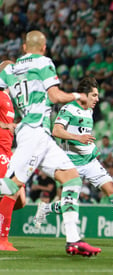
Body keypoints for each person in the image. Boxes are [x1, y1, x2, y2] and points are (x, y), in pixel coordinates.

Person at [0, 30, 101, 255]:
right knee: (10, 186)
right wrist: (77, 96)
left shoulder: (10, 70)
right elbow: (55, 97)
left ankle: (73, 240)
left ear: (24, 47)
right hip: (35, 131)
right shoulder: (44, 62)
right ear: (44, 48)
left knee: (72, 178)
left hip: (39, 133)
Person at [33, 77, 113, 244]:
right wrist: (78, 138)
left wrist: (91, 147)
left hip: (90, 162)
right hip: (71, 164)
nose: (97, 99)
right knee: (69, 202)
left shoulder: (89, 111)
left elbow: (84, 134)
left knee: (112, 191)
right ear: (83, 95)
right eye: (94, 95)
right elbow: (56, 131)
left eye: (97, 95)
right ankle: (46, 208)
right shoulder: (69, 109)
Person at [0, 60, 25, 251]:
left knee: (21, 199)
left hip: (8, 150)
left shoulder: (8, 97)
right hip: (0, 151)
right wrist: (5, 126)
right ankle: (2, 239)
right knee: (14, 189)